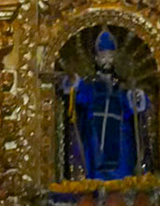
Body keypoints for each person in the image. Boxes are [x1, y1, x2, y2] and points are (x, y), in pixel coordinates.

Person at [60, 30, 149, 181]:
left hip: (120, 139)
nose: (107, 60)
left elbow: (132, 106)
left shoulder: (122, 86)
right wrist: (73, 82)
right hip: (95, 138)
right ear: (96, 58)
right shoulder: (91, 86)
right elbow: (78, 92)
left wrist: (136, 97)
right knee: (94, 172)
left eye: (110, 56)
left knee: (123, 173)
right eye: (103, 56)